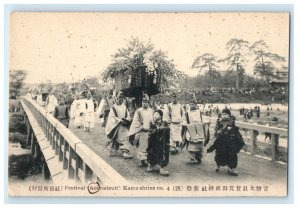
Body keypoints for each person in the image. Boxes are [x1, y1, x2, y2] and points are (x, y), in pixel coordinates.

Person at [207, 108, 245, 176]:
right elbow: (216, 131)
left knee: (232, 154)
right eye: (223, 114)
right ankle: (218, 165)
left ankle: (231, 168)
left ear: (229, 115)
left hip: (230, 141)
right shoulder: (219, 122)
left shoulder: (232, 122)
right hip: (221, 141)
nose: (224, 115)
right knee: (219, 153)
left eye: (225, 114)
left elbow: (236, 132)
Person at [128, 94, 154, 167]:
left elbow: (153, 121)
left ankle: (146, 160)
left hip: (148, 132)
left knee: (147, 147)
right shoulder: (138, 111)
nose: (144, 103)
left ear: (148, 102)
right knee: (141, 147)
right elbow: (135, 122)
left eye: (145, 101)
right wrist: (141, 127)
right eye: (143, 101)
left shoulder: (151, 111)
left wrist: (152, 127)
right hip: (141, 131)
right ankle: (141, 161)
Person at [105, 91, 133, 159]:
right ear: (116, 98)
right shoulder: (113, 107)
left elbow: (128, 115)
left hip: (123, 124)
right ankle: (117, 151)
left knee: (124, 137)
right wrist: (119, 121)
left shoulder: (124, 107)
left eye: (122, 98)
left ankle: (122, 151)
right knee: (117, 137)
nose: (120, 99)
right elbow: (112, 117)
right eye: (119, 97)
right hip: (116, 125)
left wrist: (127, 119)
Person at [146, 109, 170, 176]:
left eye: (157, 114)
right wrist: (156, 129)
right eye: (154, 114)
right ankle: (150, 165)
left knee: (162, 153)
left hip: (162, 142)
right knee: (151, 152)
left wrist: (163, 129)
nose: (155, 115)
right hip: (153, 142)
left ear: (161, 115)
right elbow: (150, 131)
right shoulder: (152, 123)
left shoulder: (164, 123)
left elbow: (167, 130)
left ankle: (161, 168)